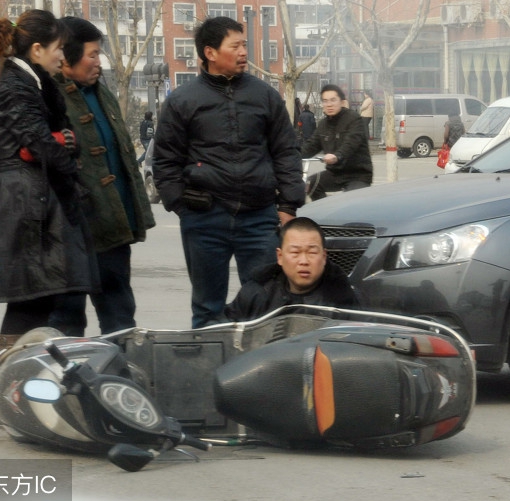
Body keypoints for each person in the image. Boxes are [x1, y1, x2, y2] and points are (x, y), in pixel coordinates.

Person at [151, 16, 305, 328]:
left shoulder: (265, 96)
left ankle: (263, 373)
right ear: (210, 52)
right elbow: (165, 161)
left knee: (265, 305)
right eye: (235, 46)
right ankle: (211, 371)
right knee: (208, 308)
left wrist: (288, 205)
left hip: (260, 218)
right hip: (205, 219)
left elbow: (286, 152)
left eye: (244, 45)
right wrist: (182, 207)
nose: (243, 52)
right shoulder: (182, 100)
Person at [0, 10, 99, 350]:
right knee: (30, 298)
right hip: (26, 200)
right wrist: (65, 150)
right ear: (36, 50)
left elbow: (41, 141)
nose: (62, 55)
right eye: (59, 47)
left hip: (33, 196)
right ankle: (13, 376)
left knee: (37, 296)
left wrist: (62, 141)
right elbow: (38, 142)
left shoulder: (28, 82)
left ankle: (20, 375)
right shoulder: (14, 86)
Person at [47, 17, 156, 337]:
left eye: (99, 54)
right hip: (70, 232)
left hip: (112, 228)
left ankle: (118, 377)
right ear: (66, 57)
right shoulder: (49, 98)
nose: (98, 62)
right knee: (66, 318)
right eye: (92, 54)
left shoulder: (104, 95)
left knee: (120, 314)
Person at [223, 217, 361, 322]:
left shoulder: (342, 297)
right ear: (280, 256)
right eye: (295, 253)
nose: (304, 261)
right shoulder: (257, 292)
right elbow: (225, 330)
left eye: (312, 253)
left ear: (324, 257)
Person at [300, 84, 373, 201]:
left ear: (342, 102)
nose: (329, 104)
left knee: (349, 202)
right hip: (335, 173)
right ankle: (326, 212)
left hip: (357, 174)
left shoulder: (354, 119)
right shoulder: (323, 125)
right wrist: (289, 155)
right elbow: (310, 146)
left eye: (333, 100)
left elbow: (351, 143)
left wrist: (337, 156)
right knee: (310, 183)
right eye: (325, 101)